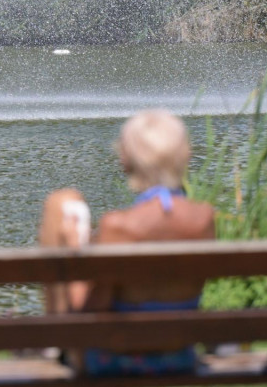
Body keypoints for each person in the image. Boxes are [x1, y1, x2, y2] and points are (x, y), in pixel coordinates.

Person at [38, 110, 215, 377]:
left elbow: (87, 308)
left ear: (125, 160)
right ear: (185, 156)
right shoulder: (204, 219)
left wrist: (76, 250)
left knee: (61, 201)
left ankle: (52, 344)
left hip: (115, 361)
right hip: (180, 358)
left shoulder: (118, 227)